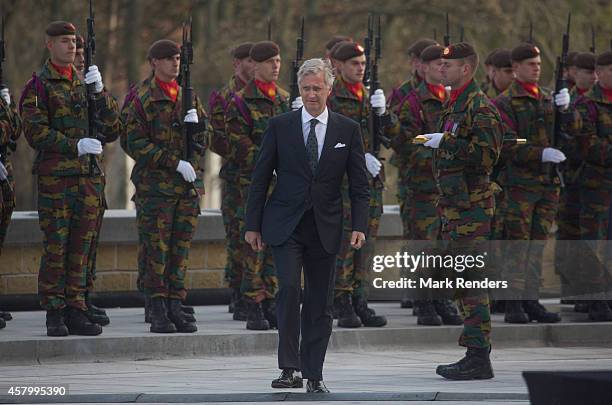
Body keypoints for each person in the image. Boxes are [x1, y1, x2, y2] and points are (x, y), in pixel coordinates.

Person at [245, 58, 369, 393]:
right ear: (299, 90)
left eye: (317, 88)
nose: (311, 94)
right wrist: (252, 225)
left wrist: (360, 224)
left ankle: (314, 373)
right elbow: (259, 179)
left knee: (320, 301)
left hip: (325, 227)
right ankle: (290, 368)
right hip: (285, 224)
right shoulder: (280, 126)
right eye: (306, 88)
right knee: (287, 290)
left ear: (330, 89)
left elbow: (359, 185)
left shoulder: (347, 129)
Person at [20, 21, 121, 336]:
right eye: (64, 42)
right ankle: (54, 311)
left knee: (82, 246)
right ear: (49, 45)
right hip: (57, 181)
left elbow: (114, 128)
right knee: (57, 246)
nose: (72, 48)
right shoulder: (38, 85)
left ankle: (77, 308)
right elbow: (35, 132)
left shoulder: (85, 82)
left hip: (88, 181)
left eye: (74, 43)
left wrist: (101, 92)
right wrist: (73, 145)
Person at [421, 42, 502, 380]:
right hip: (456, 208)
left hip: (471, 210)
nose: (442, 70)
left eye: (448, 65)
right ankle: (474, 353)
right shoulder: (456, 104)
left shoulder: (480, 108)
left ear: (465, 69)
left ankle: (478, 357)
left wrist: (447, 142)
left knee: (471, 282)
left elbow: (487, 156)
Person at [121, 39, 211, 334]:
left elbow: (204, 138)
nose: (175, 63)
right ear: (154, 62)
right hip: (156, 188)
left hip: (185, 189)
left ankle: (176, 302)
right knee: (156, 250)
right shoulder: (143, 97)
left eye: (177, 58)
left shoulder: (189, 96)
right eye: (169, 58)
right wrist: (173, 162)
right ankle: (157, 306)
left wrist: (197, 133)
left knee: (180, 249)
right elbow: (132, 142)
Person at [225, 40, 290, 330]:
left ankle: (271, 298)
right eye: (270, 62)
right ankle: (252, 302)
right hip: (251, 184)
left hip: (282, 186)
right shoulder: (240, 101)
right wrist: (274, 161)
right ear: (256, 66)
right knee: (254, 243)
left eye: (278, 61)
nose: (276, 66)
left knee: (277, 241)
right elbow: (239, 145)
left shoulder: (286, 100)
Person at [208, 42, 255, 320]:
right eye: (250, 61)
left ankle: (254, 291)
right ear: (237, 63)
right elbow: (218, 139)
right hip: (237, 178)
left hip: (261, 180)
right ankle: (238, 291)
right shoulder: (224, 97)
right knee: (238, 237)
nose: (255, 65)